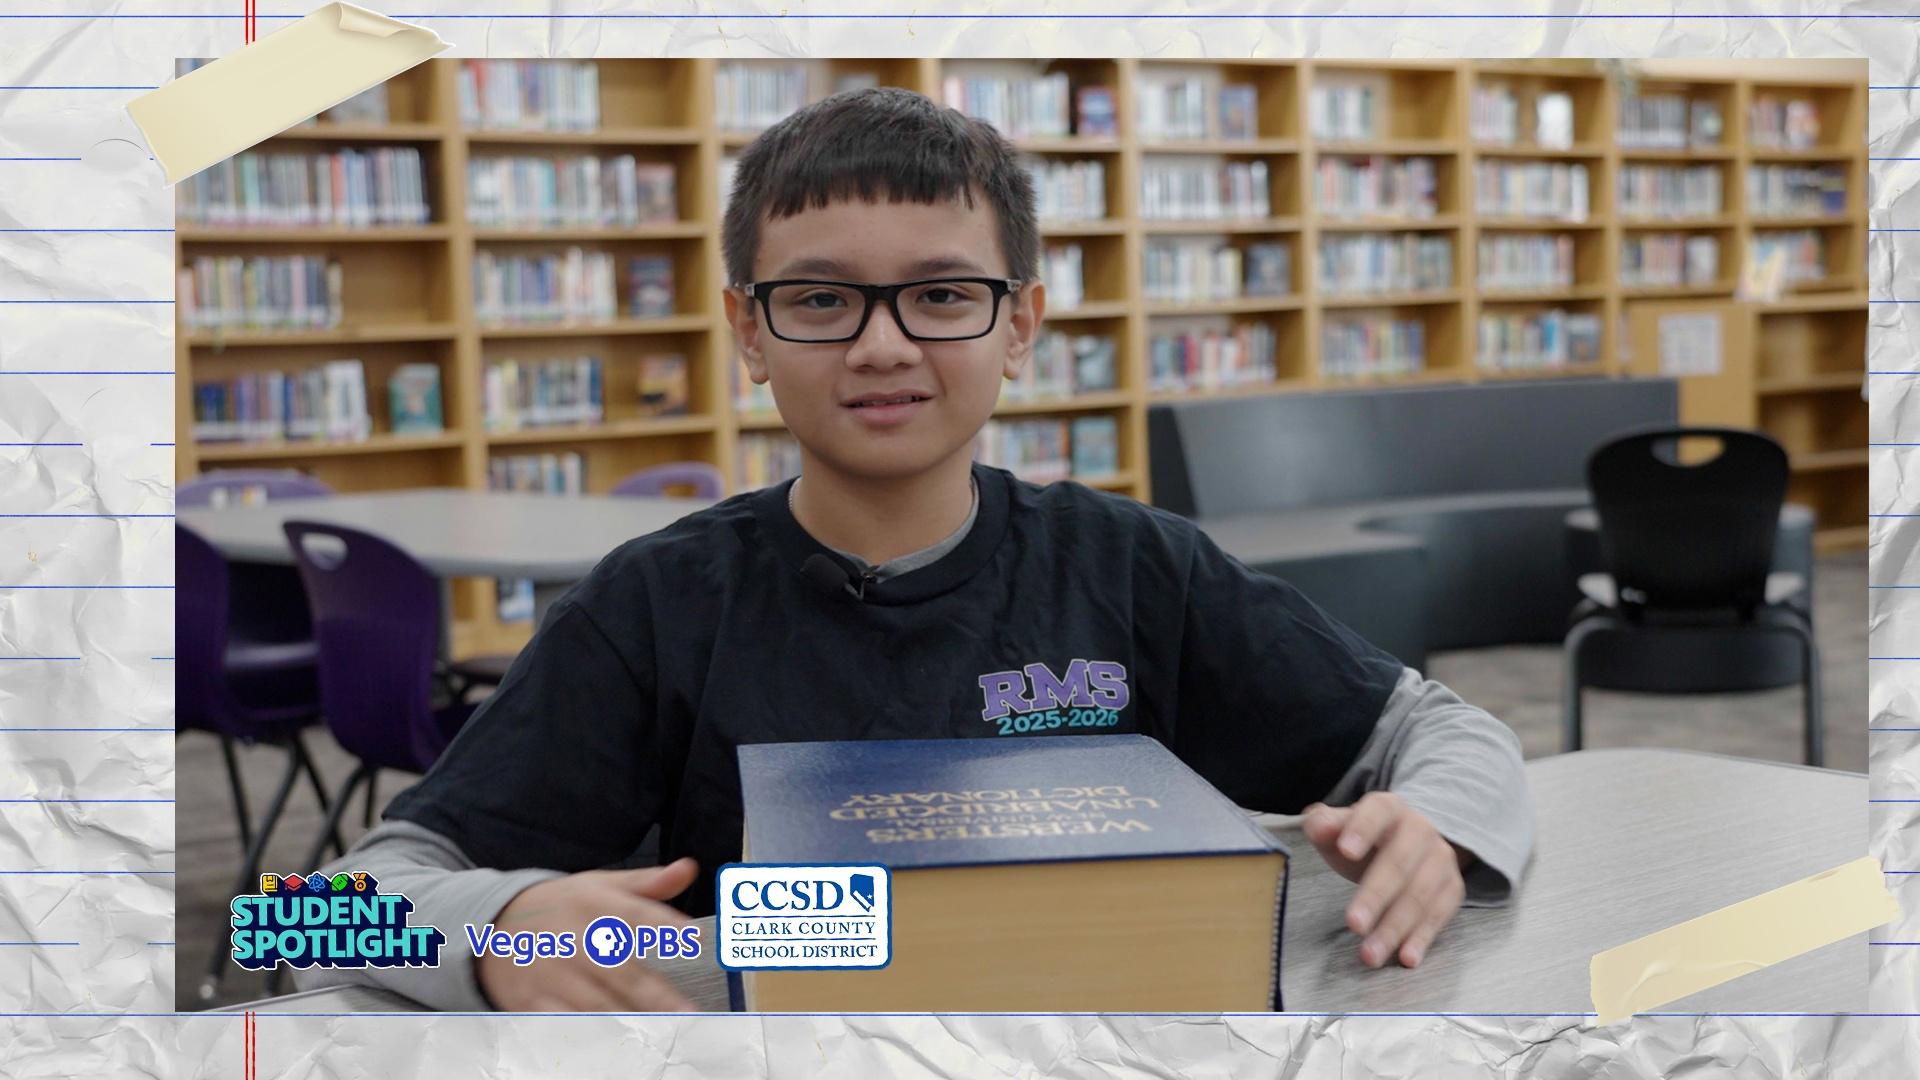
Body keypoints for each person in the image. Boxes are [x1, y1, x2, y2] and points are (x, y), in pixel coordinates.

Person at [294, 86, 1532, 1012]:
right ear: (750, 330)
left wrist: (1433, 825)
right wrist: (496, 929)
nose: (883, 346)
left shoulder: (1137, 569)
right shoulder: (655, 606)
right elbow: (316, 927)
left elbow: (1448, 730)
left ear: (1021, 325)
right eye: (822, 299)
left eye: (941, 296)